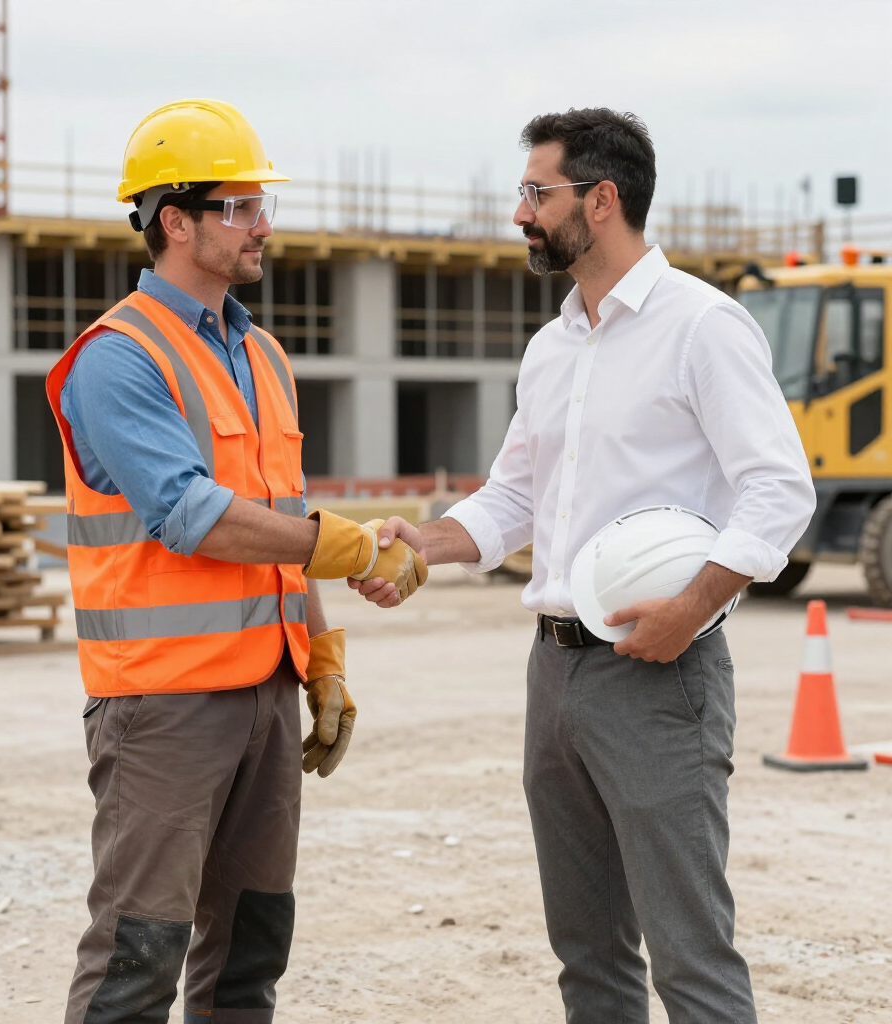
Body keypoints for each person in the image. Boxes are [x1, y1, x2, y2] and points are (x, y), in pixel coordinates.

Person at [353, 107, 815, 1024]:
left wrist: (691, 608)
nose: (520, 213)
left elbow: (779, 490)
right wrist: (427, 542)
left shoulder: (702, 327)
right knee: (588, 956)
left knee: (690, 957)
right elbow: (514, 497)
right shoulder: (553, 346)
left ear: (602, 200)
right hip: (554, 671)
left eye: (538, 192)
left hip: (659, 671)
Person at [46, 99, 425, 1024]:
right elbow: (188, 514)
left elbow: (279, 522)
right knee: (139, 957)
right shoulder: (118, 358)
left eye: (262, 205)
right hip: (163, 705)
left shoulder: (262, 355)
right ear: (174, 221)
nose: (263, 225)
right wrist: (344, 544)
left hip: (266, 691)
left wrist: (323, 657)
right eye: (239, 207)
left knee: (251, 952)